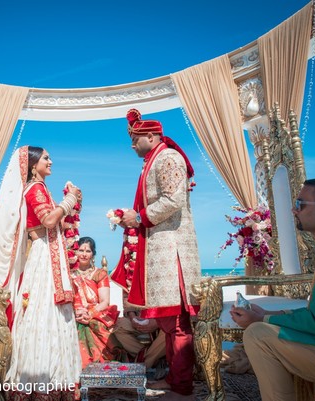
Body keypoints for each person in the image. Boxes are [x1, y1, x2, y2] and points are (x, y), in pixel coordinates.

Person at [230, 178, 315, 401]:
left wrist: (261, 321)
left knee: (258, 335)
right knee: (263, 328)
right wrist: (265, 315)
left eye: (300, 203)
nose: (294, 210)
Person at [0, 146, 81, 400]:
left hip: (48, 253)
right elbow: (48, 221)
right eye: (46, 158)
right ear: (33, 165)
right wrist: (69, 200)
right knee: (44, 314)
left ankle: (52, 379)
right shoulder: (34, 188)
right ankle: (40, 381)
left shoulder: (40, 188)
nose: (51, 161)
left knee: (50, 314)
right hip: (44, 256)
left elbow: (55, 222)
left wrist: (72, 203)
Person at [110, 109, 202, 398]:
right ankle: (175, 378)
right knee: (167, 322)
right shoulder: (155, 159)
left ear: (151, 136)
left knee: (176, 323)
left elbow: (174, 199)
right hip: (159, 249)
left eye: (136, 139)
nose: (132, 145)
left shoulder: (168, 158)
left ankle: (182, 385)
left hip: (172, 250)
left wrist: (138, 218)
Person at [70, 236, 120, 369]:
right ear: (75, 252)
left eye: (88, 251)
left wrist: (89, 314)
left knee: (94, 324)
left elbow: (104, 302)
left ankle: (98, 364)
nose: (84, 254)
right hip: (74, 312)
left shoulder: (99, 274)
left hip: (96, 312)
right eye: (81, 250)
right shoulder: (69, 274)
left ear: (93, 254)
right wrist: (77, 312)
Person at [111, 292, 167, 372]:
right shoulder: (133, 279)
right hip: (141, 319)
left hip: (164, 322)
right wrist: (132, 317)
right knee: (118, 325)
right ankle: (154, 359)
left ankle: (144, 363)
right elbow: (128, 300)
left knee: (171, 330)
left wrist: (157, 323)